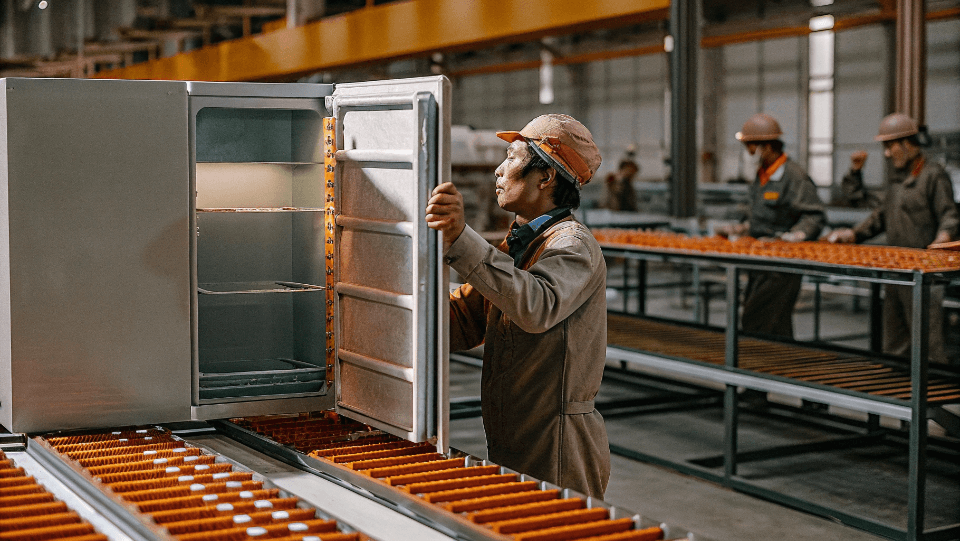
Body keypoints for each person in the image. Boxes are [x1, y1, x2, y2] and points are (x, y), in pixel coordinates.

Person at [424, 114, 610, 497]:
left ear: (545, 178)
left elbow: (536, 305)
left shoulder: (572, 245)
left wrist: (463, 239)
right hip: (512, 430)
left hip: (556, 444)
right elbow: (464, 319)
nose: (498, 170)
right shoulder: (522, 242)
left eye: (511, 158)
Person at [827, 113, 959, 364]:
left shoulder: (933, 175)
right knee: (895, 341)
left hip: (925, 275)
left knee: (928, 342)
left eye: (890, 146)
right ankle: (898, 396)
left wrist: (941, 244)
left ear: (908, 143)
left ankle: (931, 397)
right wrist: (854, 233)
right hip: (897, 271)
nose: (887, 153)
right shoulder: (897, 182)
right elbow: (880, 216)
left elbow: (949, 215)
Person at [717, 113, 826, 339]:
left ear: (766, 147)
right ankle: (776, 367)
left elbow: (814, 215)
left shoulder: (794, 176)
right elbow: (762, 216)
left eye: (750, 147)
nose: (748, 153)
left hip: (782, 266)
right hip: (760, 261)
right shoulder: (763, 175)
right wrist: (742, 228)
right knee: (773, 323)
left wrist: (795, 236)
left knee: (757, 319)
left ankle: (761, 367)